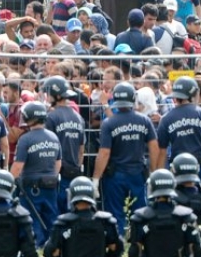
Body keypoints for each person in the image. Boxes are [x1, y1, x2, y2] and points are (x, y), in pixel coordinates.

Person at [92, 82, 158, 235]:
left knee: (115, 214)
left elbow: (104, 153)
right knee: (140, 212)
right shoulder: (144, 120)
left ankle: (118, 244)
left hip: (115, 175)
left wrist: (95, 179)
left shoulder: (109, 123)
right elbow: (154, 146)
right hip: (137, 172)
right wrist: (153, 171)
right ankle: (141, 242)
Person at [10, 101, 61, 247]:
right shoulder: (53, 137)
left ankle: (35, 249)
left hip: (31, 188)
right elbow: (58, 163)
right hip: (51, 184)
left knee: (33, 219)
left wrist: (9, 183)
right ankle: (54, 248)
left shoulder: (25, 139)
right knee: (51, 218)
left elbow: (18, 166)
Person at [43, 77, 85, 214]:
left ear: (56, 95)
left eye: (47, 94)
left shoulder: (51, 117)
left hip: (56, 175)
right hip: (73, 172)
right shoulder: (78, 117)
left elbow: (47, 147)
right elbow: (81, 149)